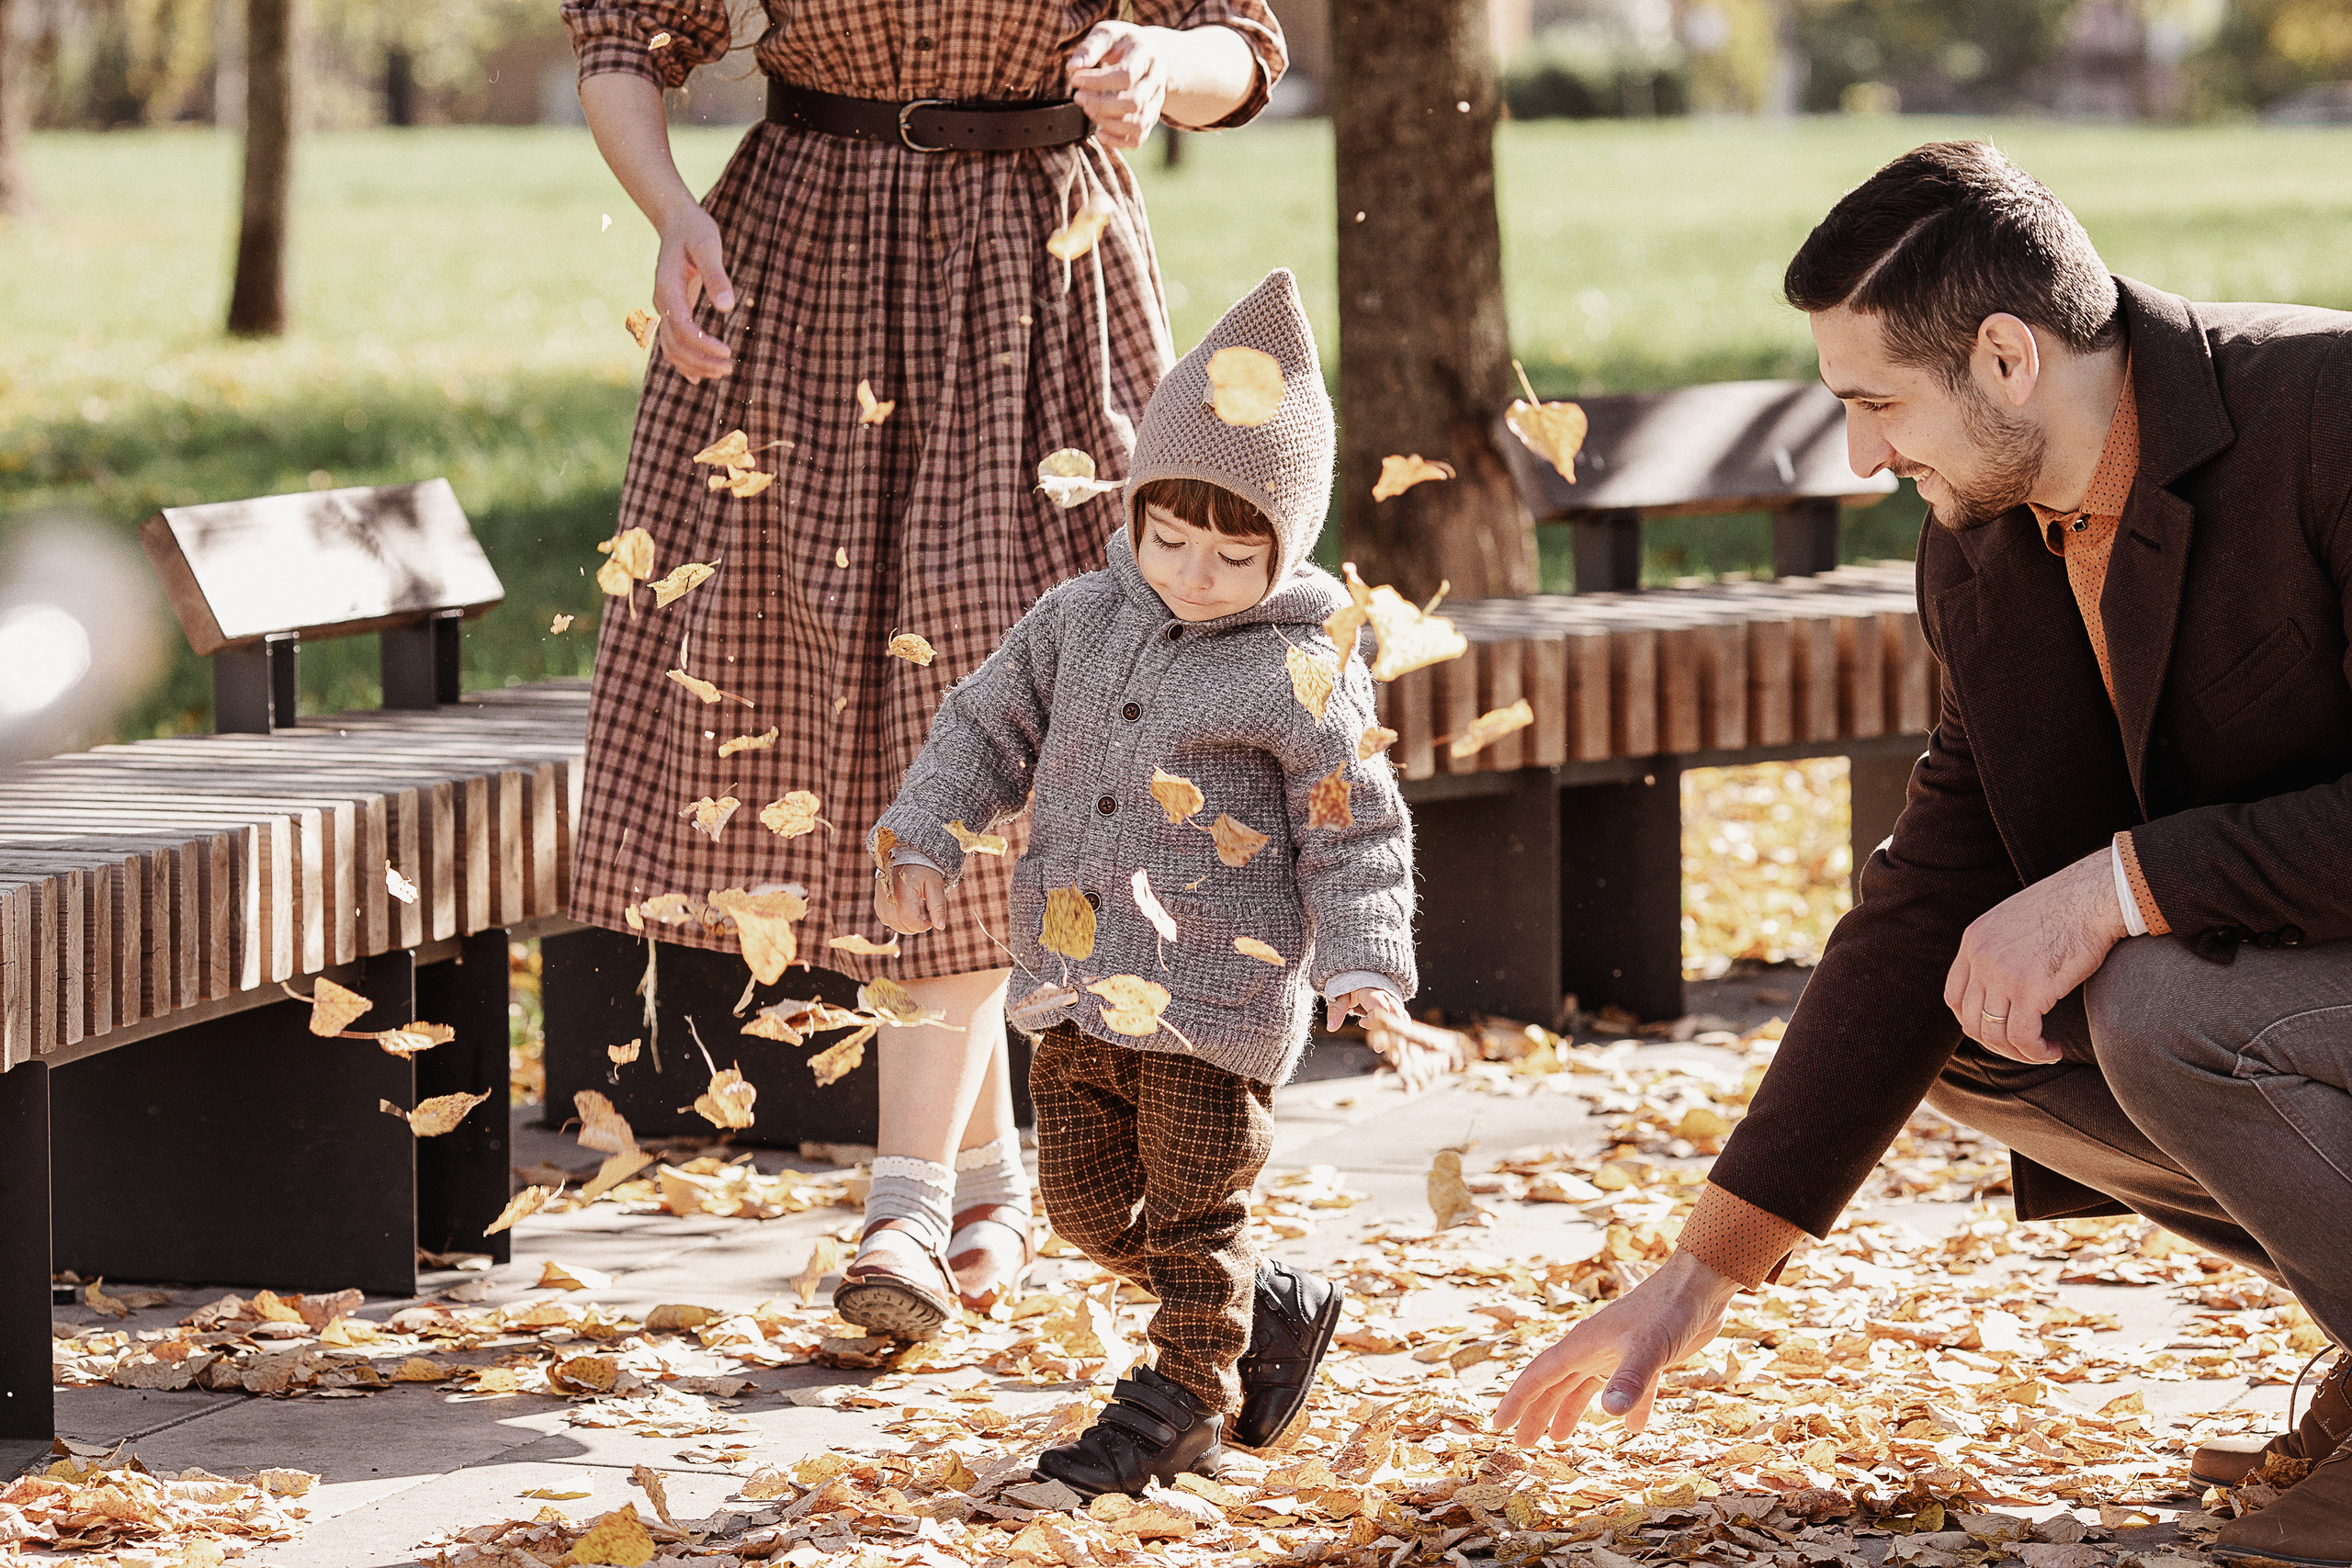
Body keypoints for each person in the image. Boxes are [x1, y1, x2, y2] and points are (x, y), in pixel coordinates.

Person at [1494, 141, 2352, 1565]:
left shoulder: (2329, 411)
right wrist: (1700, 1275)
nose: (1864, 455)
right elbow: (1935, 881)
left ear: (2008, 358)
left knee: (2153, 1001)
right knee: (1972, 1013)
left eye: (1877, 402)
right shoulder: (1983, 534)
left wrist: (2118, 887)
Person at [557, 1, 1288, 1333]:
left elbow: (1237, 47)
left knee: (987, 697)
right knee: (882, 706)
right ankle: (986, 1186)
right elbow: (629, 33)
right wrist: (668, 208)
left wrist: (1155, 63)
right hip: (807, 264)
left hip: (1040, 280)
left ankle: (901, 1205)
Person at [869, 271, 1417, 1494]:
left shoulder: (1301, 667)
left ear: (1291, 539)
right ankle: (1265, 1304)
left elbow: (1355, 826)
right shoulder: (1077, 619)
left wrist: (1370, 962)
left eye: (1235, 552)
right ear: (1132, 513)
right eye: (1167, 539)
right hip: (1071, 985)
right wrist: (928, 830)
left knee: (1193, 1218)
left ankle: (1180, 1402)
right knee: (1082, 1208)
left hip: (1212, 1008)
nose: (1195, 573)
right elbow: (983, 728)